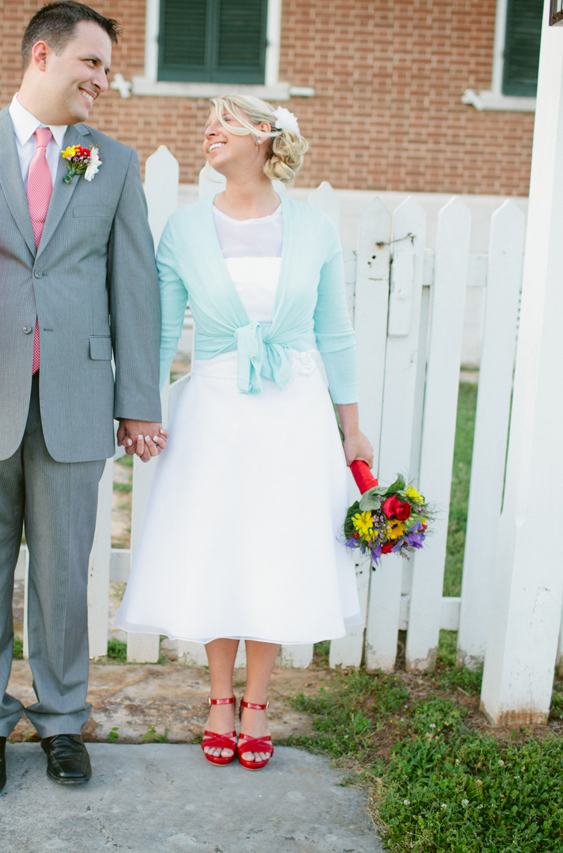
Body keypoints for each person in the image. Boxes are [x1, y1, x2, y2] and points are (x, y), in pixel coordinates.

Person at [0, 1, 165, 794]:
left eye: (108, 71)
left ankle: (60, 719)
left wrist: (139, 398)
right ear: (43, 56)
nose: (102, 81)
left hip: (77, 398)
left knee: (63, 575)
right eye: (92, 63)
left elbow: (135, 286)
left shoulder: (112, 164)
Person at [116, 95, 373, 770]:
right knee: (220, 546)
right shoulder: (185, 230)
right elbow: (165, 330)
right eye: (208, 120)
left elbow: (335, 332)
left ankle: (258, 700)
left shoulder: (314, 230)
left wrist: (353, 428)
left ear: (266, 137)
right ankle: (219, 698)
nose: (210, 130)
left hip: (294, 410)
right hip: (214, 407)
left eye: (226, 121)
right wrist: (145, 406)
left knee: (273, 549)